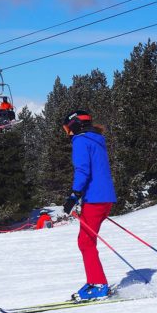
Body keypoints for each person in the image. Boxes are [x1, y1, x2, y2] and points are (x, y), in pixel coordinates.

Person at [61, 110, 117, 302]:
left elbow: (83, 170)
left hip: (94, 199)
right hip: (105, 198)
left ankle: (99, 284)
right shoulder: (96, 139)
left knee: (85, 242)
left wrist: (73, 196)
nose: (68, 133)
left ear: (75, 125)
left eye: (67, 129)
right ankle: (94, 282)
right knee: (87, 241)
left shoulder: (81, 141)